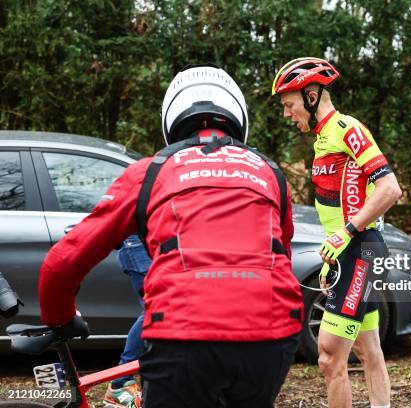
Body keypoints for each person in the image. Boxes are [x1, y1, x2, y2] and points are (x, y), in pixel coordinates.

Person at [38, 64, 304, 408]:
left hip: (182, 335)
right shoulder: (271, 173)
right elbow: (282, 252)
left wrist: (59, 318)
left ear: (171, 119)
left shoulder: (150, 172)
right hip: (272, 332)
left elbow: (63, 262)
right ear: (237, 116)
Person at [272, 57, 402, 408]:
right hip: (350, 253)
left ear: (311, 96)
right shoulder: (322, 138)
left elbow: (390, 189)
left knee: (330, 356)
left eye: (290, 104)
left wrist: (345, 234)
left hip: (360, 249)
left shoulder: (348, 130)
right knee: (368, 347)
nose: (287, 113)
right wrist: (334, 257)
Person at [103, 234, 151, 408]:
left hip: (152, 243)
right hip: (141, 245)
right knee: (156, 310)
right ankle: (120, 383)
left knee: (162, 311)